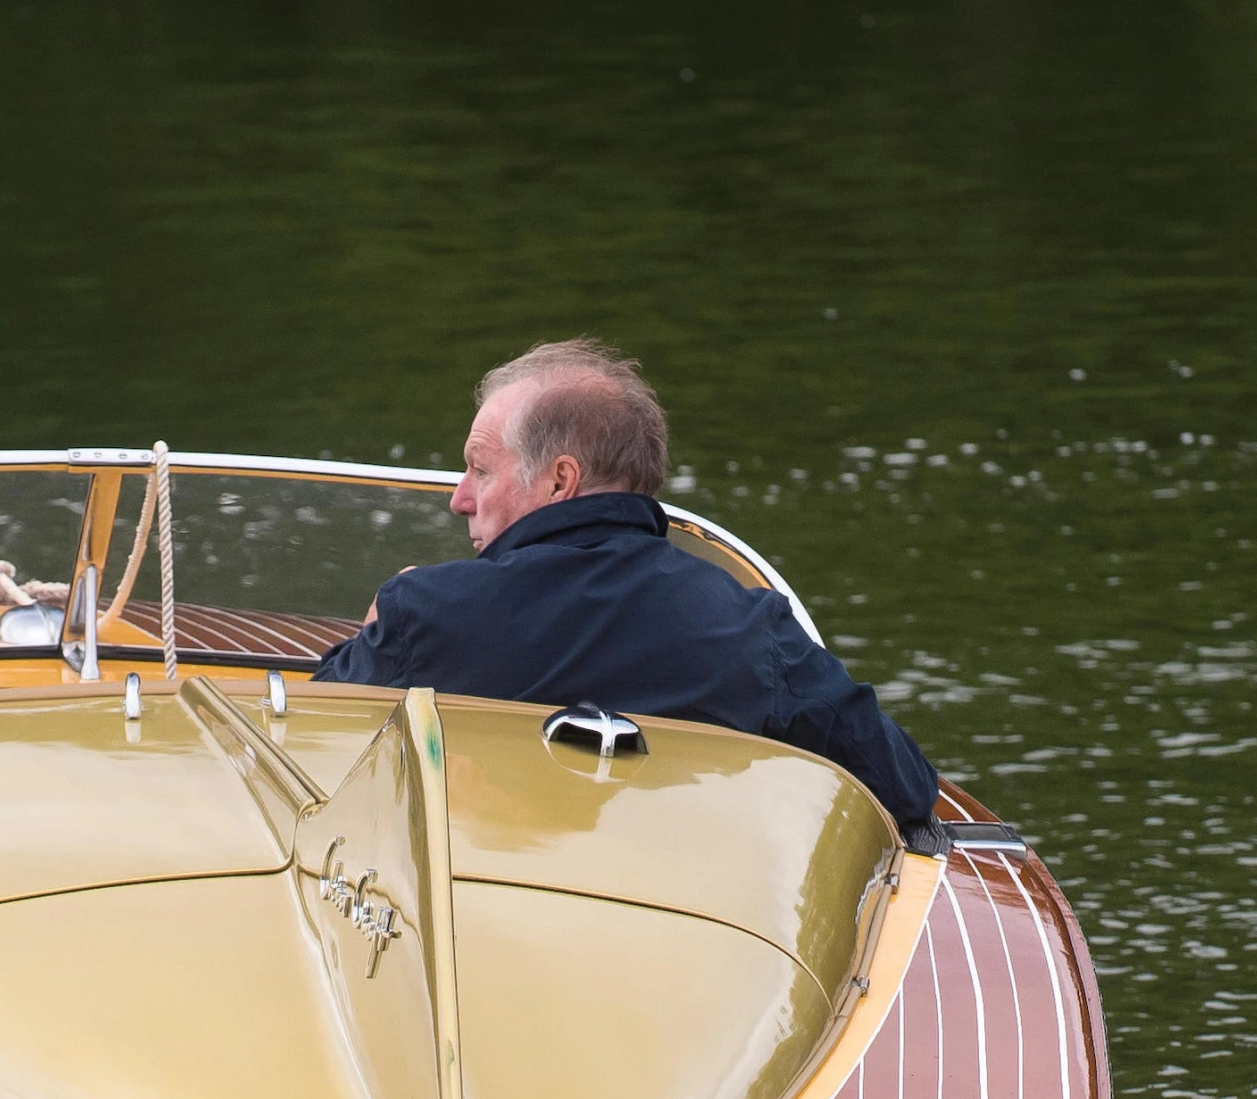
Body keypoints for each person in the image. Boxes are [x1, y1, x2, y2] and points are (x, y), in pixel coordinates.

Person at [311, 339, 945, 840]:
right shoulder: (749, 629)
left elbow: (310, 753)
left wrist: (377, 629)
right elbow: (905, 784)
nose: (459, 499)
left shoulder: (428, 613)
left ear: (560, 481)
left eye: (480, 469)